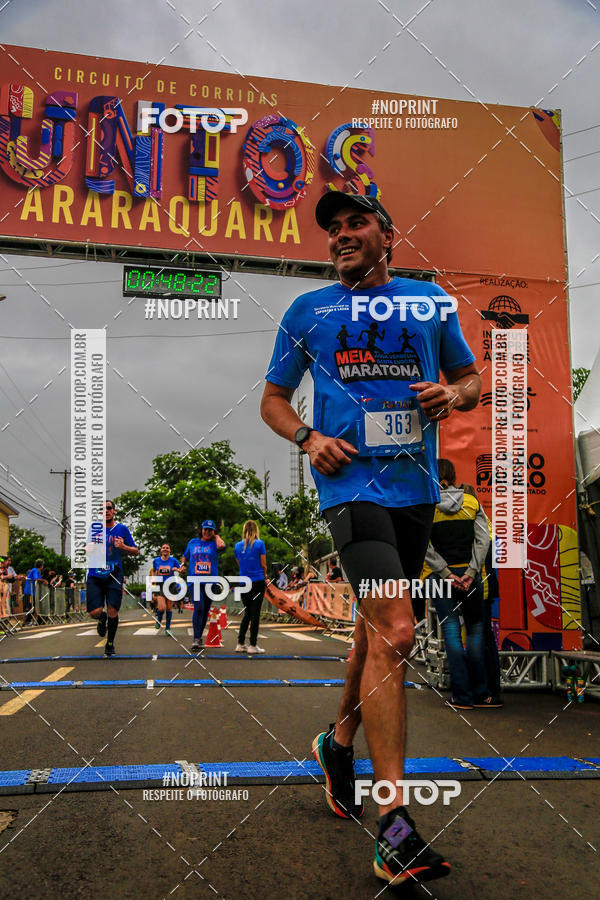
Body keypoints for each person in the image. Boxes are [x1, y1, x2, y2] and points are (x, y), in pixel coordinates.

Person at [261, 191, 480, 886]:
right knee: (395, 625)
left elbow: (470, 378)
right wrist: (307, 435)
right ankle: (395, 825)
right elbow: (271, 396)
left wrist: (455, 396)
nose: (342, 235)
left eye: (357, 223)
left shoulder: (428, 301)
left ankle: (338, 740)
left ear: (389, 234)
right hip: (350, 489)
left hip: (414, 490)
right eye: (333, 228)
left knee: (370, 636)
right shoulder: (309, 312)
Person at [424, 461, 496, 709]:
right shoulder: (471, 503)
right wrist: (471, 571)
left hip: (441, 580)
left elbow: (425, 547)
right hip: (470, 576)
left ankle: (462, 697)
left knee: (452, 635)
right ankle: (482, 694)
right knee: (476, 632)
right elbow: (483, 540)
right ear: (454, 476)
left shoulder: (427, 506)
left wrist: (445, 573)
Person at [86, 500, 139, 657]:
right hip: (95, 574)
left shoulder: (121, 529)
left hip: (114, 574)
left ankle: (110, 644)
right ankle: (101, 618)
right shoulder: (94, 529)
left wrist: (123, 547)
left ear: (114, 511)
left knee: (113, 610)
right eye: (102, 508)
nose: (106, 511)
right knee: (94, 612)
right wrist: (87, 548)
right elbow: (86, 548)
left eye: (109, 508)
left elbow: (136, 551)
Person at [181, 520, 226, 651]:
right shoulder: (193, 542)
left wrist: (216, 536)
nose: (207, 532)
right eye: (205, 529)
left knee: (205, 610)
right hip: (194, 580)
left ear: (213, 532)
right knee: (199, 607)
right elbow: (185, 556)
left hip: (211, 582)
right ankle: (195, 638)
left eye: (210, 530)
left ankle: (199, 637)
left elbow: (222, 546)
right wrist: (183, 565)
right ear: (201, 529)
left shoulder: (215, 543)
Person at [235, 520, 267, 654]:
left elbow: (239, 564)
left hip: (243, 582)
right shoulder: (260, 544)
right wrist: (265, 576)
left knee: (247, 612)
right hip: (257, 581)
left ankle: (240, 643)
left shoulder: (237, 546)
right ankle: (253, 645)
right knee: (255, 614)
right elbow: (263, 564)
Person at [151, 543, 181, 636]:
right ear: (161, 550)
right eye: (163, 548)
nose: (165, 549)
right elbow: (154, 571)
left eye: (167, 548)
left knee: (168, 608)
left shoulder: (173, 560)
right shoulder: (156, 560)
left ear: (170, 550)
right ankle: (159, 620)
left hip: (171, 585)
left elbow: (180, 569)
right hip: (160, 585)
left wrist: (177, 569)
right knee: (161, 607)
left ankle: (168, 628)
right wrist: (153, 582)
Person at [23, 558, 44, 626]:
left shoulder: (37, 571)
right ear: (41, 566)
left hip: (33, 592)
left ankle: (31, 620)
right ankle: (27, 621)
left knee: (33, 606)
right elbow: (36, 578)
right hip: (30, 592)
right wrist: (43, 581)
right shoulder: (35, 570)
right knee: (31, 606)